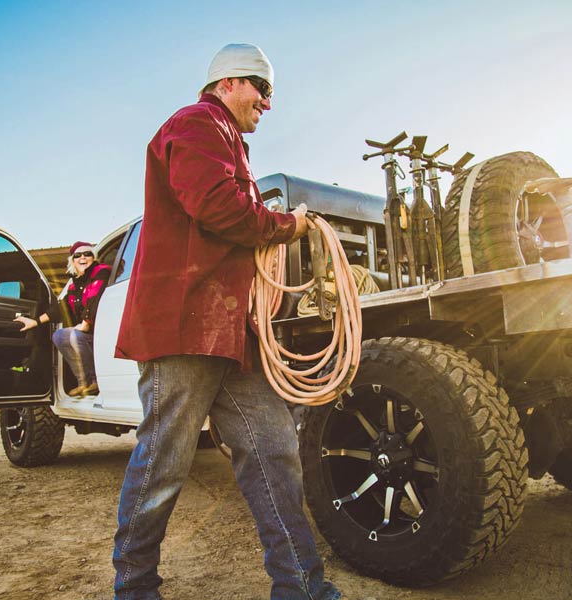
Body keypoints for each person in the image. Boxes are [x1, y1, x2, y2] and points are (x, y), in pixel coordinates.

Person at [111, 43, 341, 600]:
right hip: (185, 327)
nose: (267, 103)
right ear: (230, 82)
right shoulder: (195, 124)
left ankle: (302, 589)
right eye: (262, 90)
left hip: (229, 332)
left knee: (273, 452)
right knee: (163, 462)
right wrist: (289, 226)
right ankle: (134, 589)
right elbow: (218, 208)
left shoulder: (228, 140)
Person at [15, 241, 110, 397]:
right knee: (59, 336)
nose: (83, 258)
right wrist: (35, 321)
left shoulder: (101, 271)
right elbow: (60, 309)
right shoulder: (74, 285)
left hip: (103, 332)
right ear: (72, 261)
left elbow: (95, 295)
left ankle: (95, 381)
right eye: (77, 255)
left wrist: (86, 322)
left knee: (75, 335)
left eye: (88, 254)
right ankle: (84, 382)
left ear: (94, 257)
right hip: (88, 335)